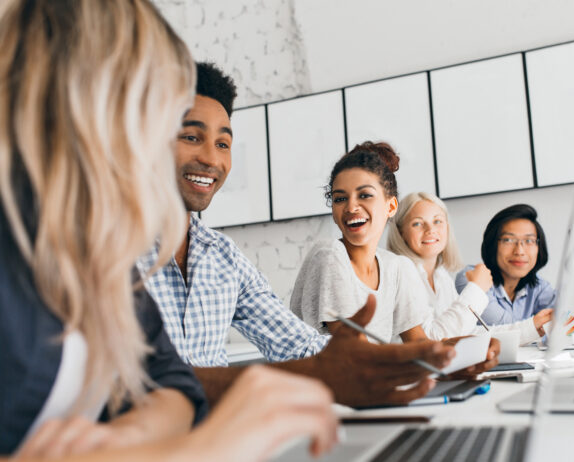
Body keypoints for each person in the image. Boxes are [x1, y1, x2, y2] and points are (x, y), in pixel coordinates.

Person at [0, 1, 337, 460]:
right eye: (155, 106)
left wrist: (126, 441)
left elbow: (170, 381)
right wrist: (205, 447)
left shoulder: (93, 245)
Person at [139, 64, 458, 407]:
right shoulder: (103, 249)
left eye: (223, 143)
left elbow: (297, 343)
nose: (211, 158)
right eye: (191, 137)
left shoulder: (222, 257)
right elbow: (115, 384)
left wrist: (438, 365)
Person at [290, 143, 499, 375]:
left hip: (371, 385)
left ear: (391, 206)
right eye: (340, 199)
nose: (351, 207)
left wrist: (469, 350)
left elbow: (418, 342)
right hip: (325, 392)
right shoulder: (330, 255)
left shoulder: (395, 266)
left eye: (365, 195)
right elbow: (355, 351)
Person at [387, 192, 550, 344]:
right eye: (417, 223)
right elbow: (431, 341)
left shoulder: (441, 276)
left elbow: (467, 335)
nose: (430, 230)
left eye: (437, 221)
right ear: (401, 233)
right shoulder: (402, 268)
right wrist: (477, 288)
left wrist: (531, 327)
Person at [456, 204, 555, 337]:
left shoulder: (540, 287)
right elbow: (504, 330)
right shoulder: (471, 278)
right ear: (493, 245)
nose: (519, 251)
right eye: (508, 240)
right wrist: (537, 325)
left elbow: (563, 321)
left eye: (529, 240)